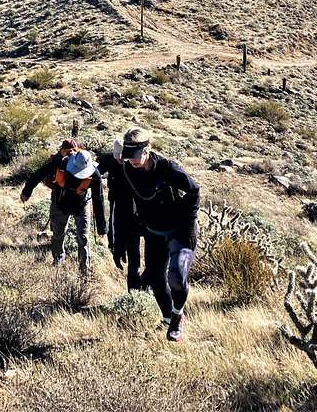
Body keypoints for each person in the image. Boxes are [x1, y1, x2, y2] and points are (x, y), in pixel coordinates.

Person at [114, 127, 199, 343]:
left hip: (180, 229)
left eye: (134, 156)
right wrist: (120, 241)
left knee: (177, 277)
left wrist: (185, 217)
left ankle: (178, 316)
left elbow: (194, 190)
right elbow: (124, 206)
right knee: (156, 279)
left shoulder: (168, 168)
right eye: (127, 156)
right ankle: (169, 318)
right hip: (154, 230)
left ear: (147, 149)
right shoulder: (128, 170)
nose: (131, 160)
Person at [20, 138, 106, 276]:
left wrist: (101, 227)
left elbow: (98, 199)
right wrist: (26, 191)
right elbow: (38, 174)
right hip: (60, 203)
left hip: (81, 204)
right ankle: (58, 260)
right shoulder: (60, 163)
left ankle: (85, 271)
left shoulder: (94, 174)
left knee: (83, 237)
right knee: (58, 234)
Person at [96, 143, 146, 291]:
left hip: (138, 209)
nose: (121, 161)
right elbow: (97, 173)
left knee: (144, 256)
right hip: (118, 202)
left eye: (123, 158)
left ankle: (143, 288)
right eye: (118, 158)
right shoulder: (108, 159)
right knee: (118, 228)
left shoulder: (137, 165)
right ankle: (134, 291)